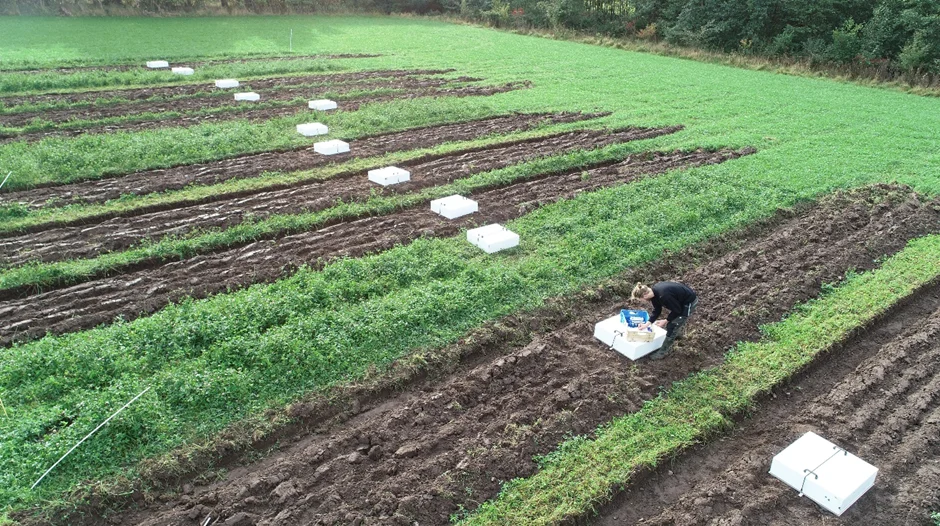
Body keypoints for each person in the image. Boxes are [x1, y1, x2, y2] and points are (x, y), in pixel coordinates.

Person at [631, 281, 698, 360]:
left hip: (689, 302)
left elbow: (677, 310)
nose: (642, 301)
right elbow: (657, 310)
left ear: (645, 295)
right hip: (679, 301)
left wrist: (665, 320)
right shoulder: (654, 292)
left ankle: (662, 352)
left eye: (641, 299)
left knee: (672, 325)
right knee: (673, 322)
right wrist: (647, 324)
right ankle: (676, 334)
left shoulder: (664, 296)